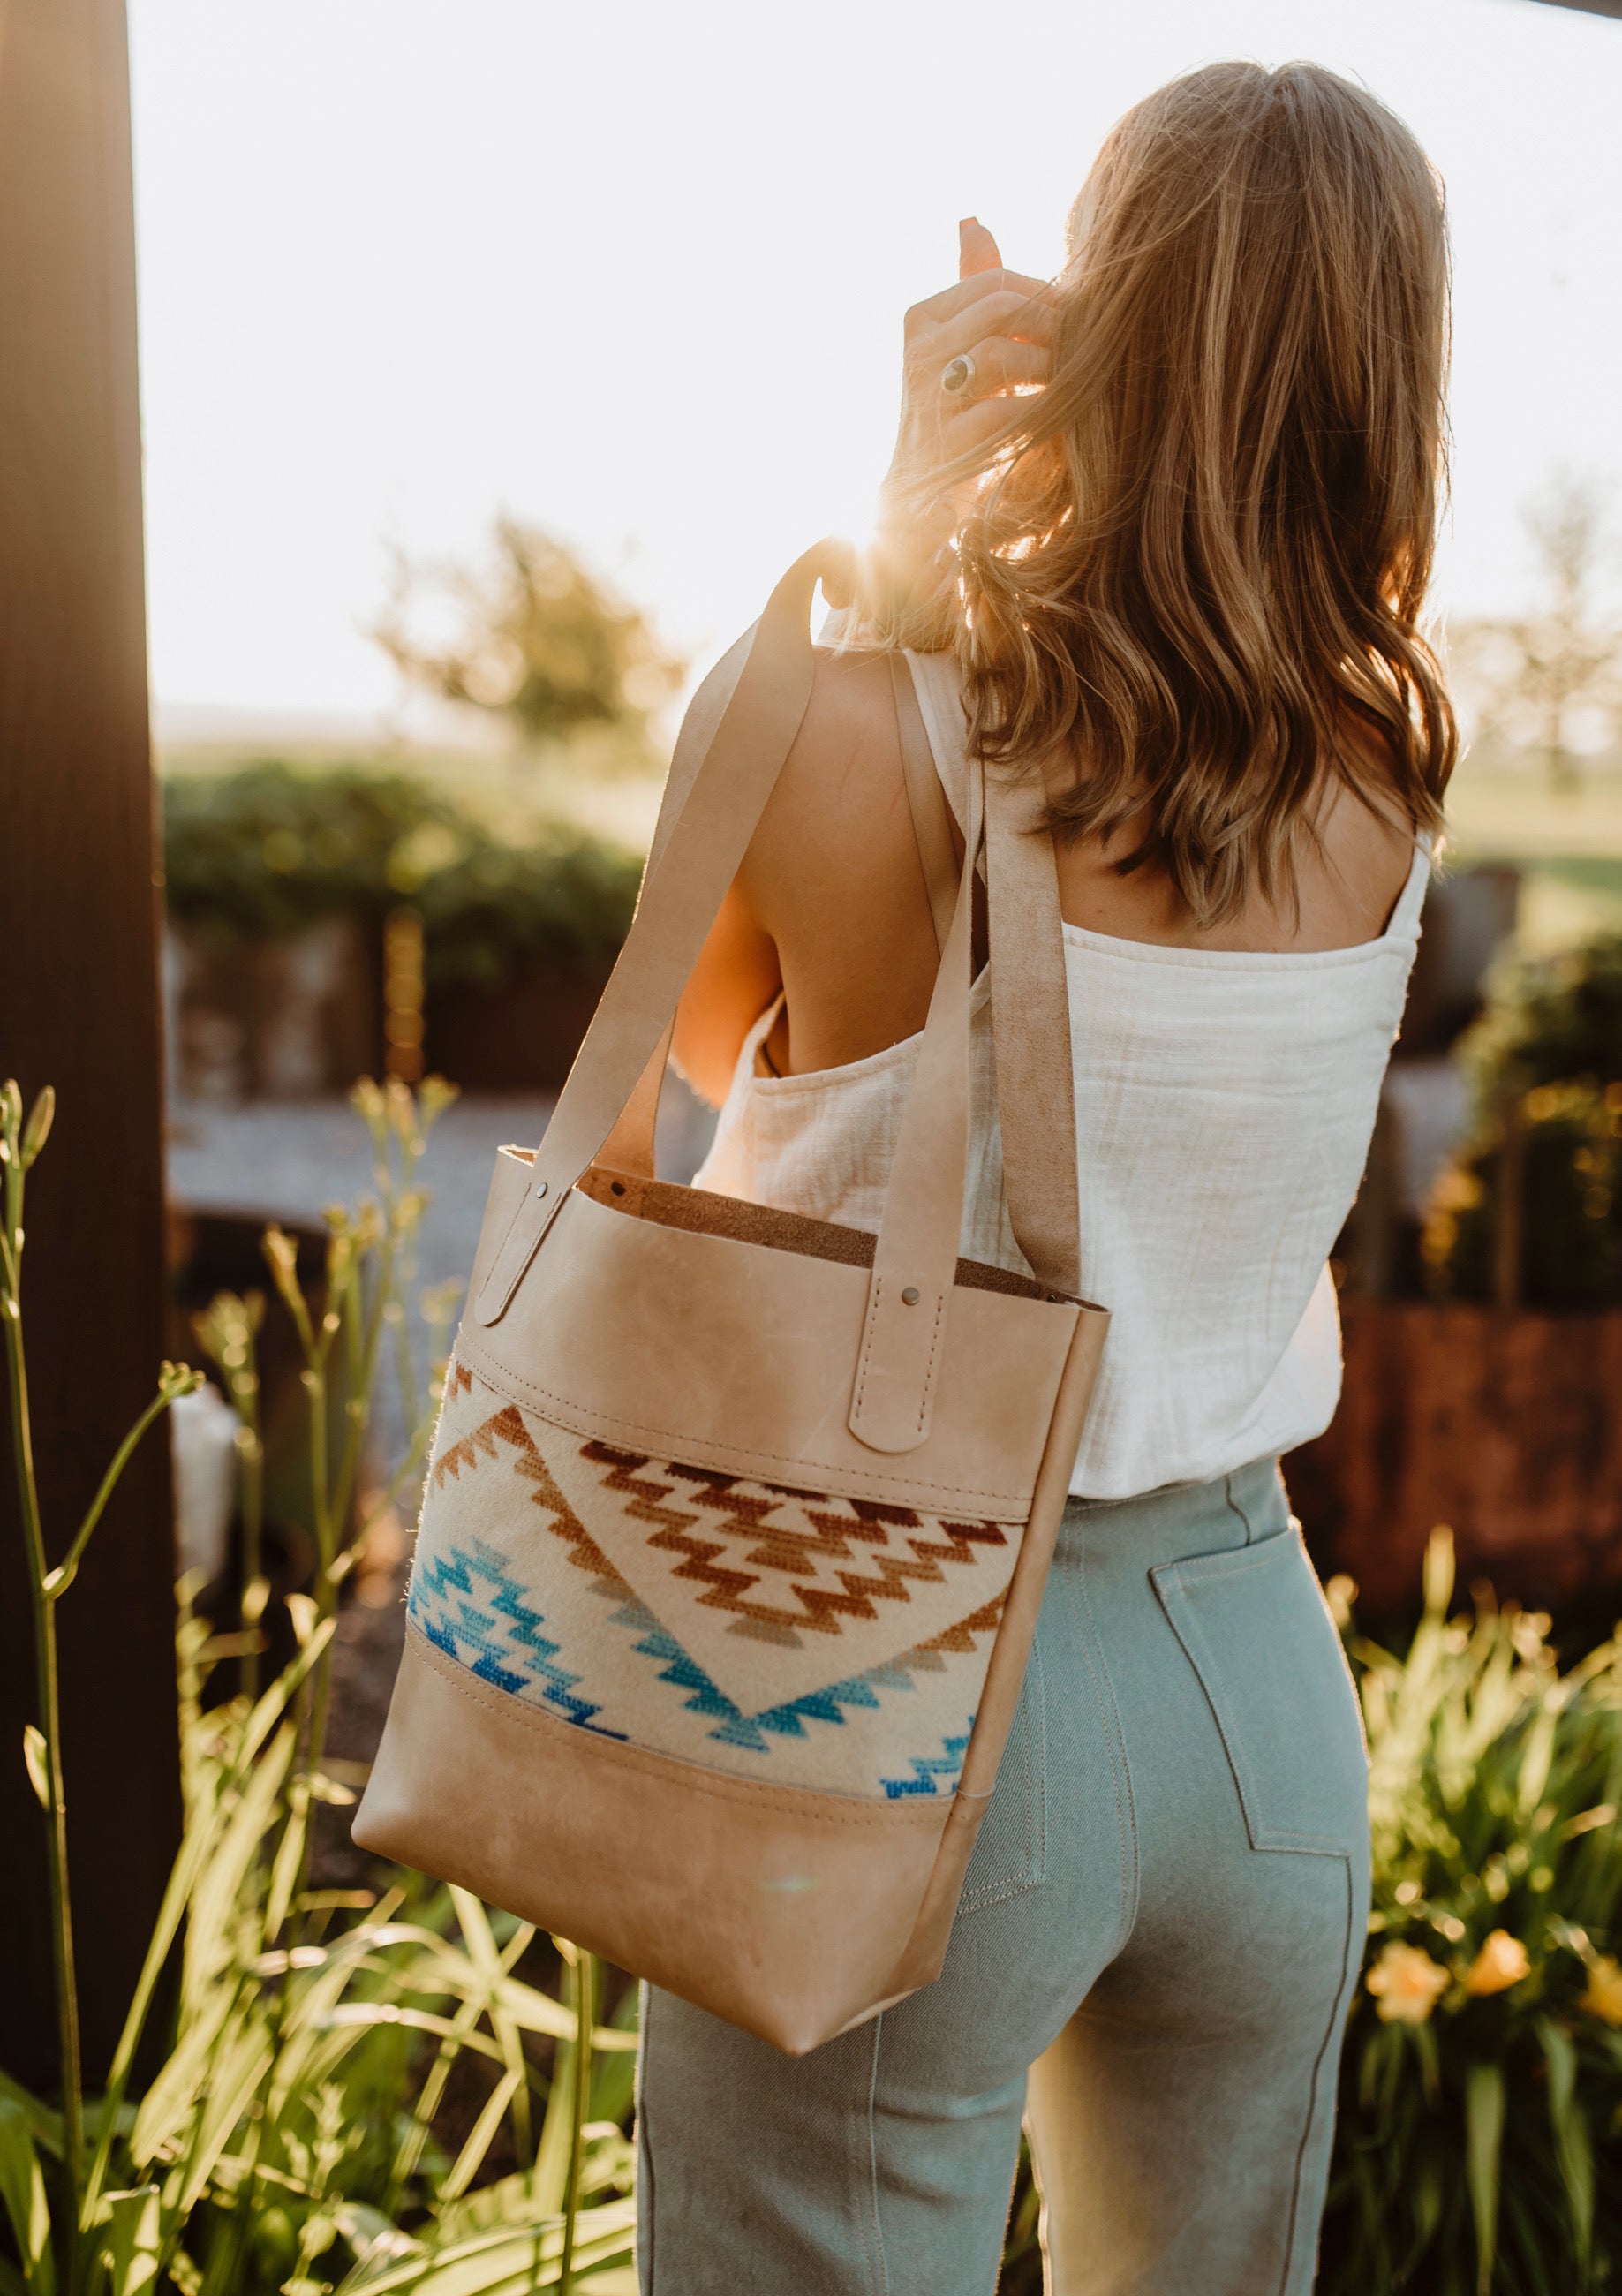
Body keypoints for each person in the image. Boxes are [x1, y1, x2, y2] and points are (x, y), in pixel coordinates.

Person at [637, 59, 1454, 2296]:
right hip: (1252, 1699)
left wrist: (907, 551)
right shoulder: (1384, 768)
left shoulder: (859, 732)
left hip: (906, 1671)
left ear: (1107, 324)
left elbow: (720, 1057)